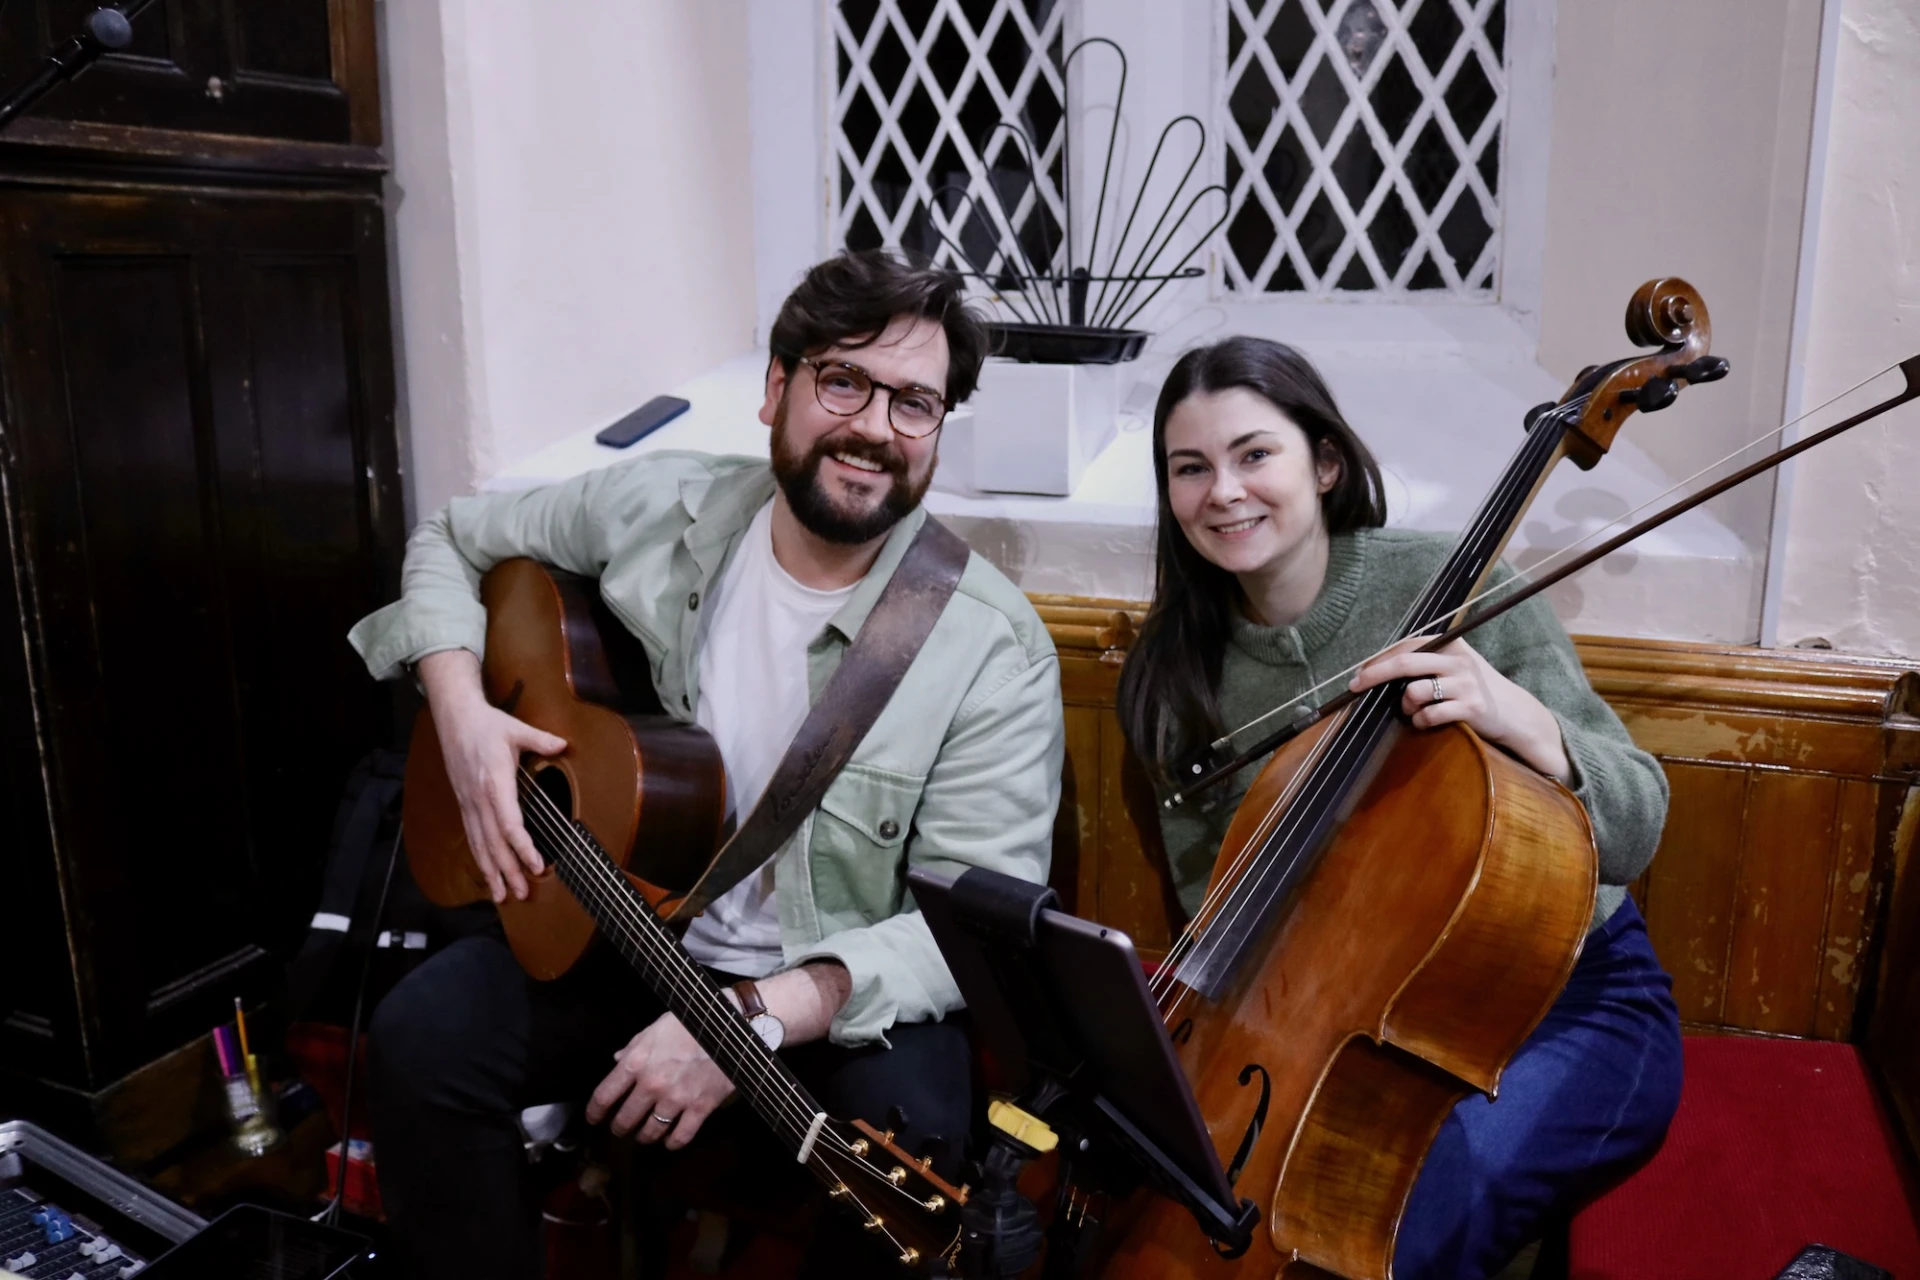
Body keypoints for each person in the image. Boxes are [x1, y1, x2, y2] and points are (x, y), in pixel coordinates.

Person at [346, 250, 1064, 1280]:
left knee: (907, 1141)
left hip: (831, 984)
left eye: (916, 402)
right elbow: (452, 537)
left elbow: (972, 934)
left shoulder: (989, 644)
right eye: (844, 380)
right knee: (422, 1037)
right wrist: (461, 713)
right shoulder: (664, 505)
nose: (874, 428)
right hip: (636, 927)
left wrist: (748, 1019)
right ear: (777, 387)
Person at [1114, 336, 1683, 1279]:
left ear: (1325, 463)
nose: (1224, 490)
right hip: (1342, 1031)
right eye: (1191, 468)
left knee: (1394, 1228)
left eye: (1255, 454)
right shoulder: (1175, 678)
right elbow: (1206, 899)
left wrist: (1517, 716)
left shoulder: (1457, 588)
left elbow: (1636, 824)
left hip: (1567, 1001)